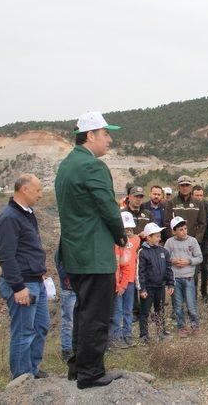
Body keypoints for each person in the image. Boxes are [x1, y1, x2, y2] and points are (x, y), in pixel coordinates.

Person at [55, 112, 127, 389]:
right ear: (90, 135)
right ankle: (91, 373)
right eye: (105, 133)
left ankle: (78, 367)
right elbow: (109, 208)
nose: (109, 139)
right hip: (94, 254)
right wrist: (121, 236)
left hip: (74, 252)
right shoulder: (92, 167)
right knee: (96, 314)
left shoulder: (67, 165)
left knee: (82, 311)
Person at [0, 174, 50, 380]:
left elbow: (29, 249)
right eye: (38, 190)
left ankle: (32, 370)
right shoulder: (9, 217)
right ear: (24, 189)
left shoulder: (27, 213)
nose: (41, 195)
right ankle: (21, 379)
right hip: (23, 284)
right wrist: (18, 287)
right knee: (23, 332)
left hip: (36, 281)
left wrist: (41, 275)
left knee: (41, 327)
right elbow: (6, 256)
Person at [165, 216, 203, 337]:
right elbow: (165, 258)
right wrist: (172, 261)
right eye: (180, 229)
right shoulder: (170, 242)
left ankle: (195, 326)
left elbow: (199, 258)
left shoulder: (192, 241)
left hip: (188, 278)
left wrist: (188, 261)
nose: (184, 231)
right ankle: (181, 327)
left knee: (191, 304)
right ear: (174, 231)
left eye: (185, 228)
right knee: (178, 305)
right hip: (175, 279)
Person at [137, 222, 174, 343]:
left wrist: (170, 283)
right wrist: (142, 289)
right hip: (148, 287)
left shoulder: (163, 251)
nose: (160, 238)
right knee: (145, 311)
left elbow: (168, 268)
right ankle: (144, 334)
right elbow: (140, 272)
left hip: (160, 286)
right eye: (157, 236)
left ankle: (160, 331)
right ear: (148, 237)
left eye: (159, 235)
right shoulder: (142, 252)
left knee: (160, 309)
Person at [110, 212, 141, 349]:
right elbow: (117, 266)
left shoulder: (135, 240)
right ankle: (117, 336)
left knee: (128, 309)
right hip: (118, 282)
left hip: (130, 281)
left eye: (130, 228)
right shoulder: (115, 243)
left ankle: (127, 335)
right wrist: (118, 285)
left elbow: (139, 239)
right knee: (118, 310)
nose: (128, 230)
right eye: (125, 228)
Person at [163, 175, 206, 245]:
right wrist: (174, 240)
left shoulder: (198, 203)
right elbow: (167, 223)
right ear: (178, 187)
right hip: (176, 243)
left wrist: (197, 241)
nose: (185, 188)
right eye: (182, 185)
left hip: (193, 243)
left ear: (191, 187)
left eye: (187, 185)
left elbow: (202, 224)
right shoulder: (171, 202)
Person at [191, 185, 208, 301]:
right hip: (192, 240)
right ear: (192, 195)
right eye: (196, 195)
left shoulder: (207, 205)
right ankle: (193, 293)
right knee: (194, 269)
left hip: (205, 240)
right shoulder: (190, 205)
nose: (199, 197)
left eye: (201, 195)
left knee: (205, 268)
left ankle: (204, 292)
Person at [55, 243, 75, 363]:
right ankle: (66, 350)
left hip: (81, 289)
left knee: (79, 320)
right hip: (69, 290)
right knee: (68, 321)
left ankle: (77, 348)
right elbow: (61, 270)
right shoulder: (62, 250)